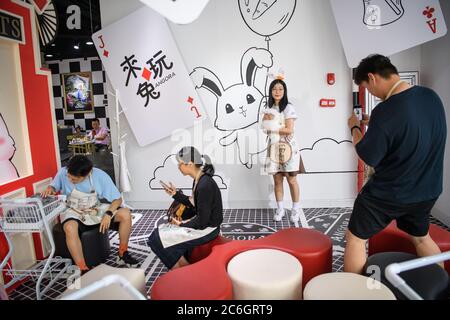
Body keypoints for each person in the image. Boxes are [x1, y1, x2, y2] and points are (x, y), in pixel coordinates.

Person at [345, 54, 447, 274]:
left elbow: (367, 155)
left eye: (367, 88)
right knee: (421, 238)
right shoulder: (430, 97)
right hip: (427, 191)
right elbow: (411, 128)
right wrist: (376, 123)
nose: (372, 93)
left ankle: (350, 291)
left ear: (372, 78)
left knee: (355, 238)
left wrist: (354, 127)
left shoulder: (385, 110)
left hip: (391, 193)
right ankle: (441, 288)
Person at [41, 155, 138, 272]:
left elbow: (117, 200)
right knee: (69, 227)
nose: (70, 180)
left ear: (88, 174)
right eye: (69, 177)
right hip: (73, 210)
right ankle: (82, 268)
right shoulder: (63, 172)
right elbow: (53, 186)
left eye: (75, 179)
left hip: (95, 209)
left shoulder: (100, 176)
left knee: (125, 214)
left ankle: (123, 254)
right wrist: (50, 188)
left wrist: (108, 214)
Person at [147, 147, 223, 270]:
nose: (178, 166)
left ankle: (182, 271)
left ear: (190, 164)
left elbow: (203, 221)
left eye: (180, 163)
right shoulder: (199, 180)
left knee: (156, 238)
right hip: (202, 225)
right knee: (156, 236)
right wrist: (174, 194)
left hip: (208, 229)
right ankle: (184, 269)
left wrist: (181, 225)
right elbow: (193, 203)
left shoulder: (205, 185)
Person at [262, 79, 305, 223]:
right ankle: (280, 209)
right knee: (277, 180)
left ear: (284, 91)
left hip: (288, 148)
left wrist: (272, 127)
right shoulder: (269, 108)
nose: (277, 92)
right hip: (274, 147)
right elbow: (264, 128)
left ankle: (295, 210)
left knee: (292, 180)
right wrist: (268, 126)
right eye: (274, 89)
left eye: (280, 89)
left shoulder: (288, 107)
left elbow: (289, 130)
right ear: (271, 91)